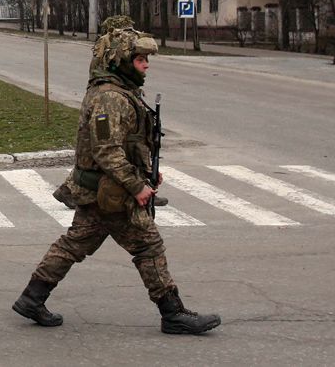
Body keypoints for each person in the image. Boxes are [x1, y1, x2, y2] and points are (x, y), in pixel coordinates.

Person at [12, 27, 220, 335]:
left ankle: (32, 298)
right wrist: (137, 186)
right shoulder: (110, 98)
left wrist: (146, 171)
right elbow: (107, 150)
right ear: (120, 62)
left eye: (146, 59)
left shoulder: (120, 92)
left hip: (102, 189)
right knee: (148, 246)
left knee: (74, 244)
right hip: (110, 191)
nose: (146, 65)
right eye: (140, 60)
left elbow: (125, 143)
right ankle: (173, 313)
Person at [53, 15, 167, 210]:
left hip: (115, 95)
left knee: (101, 147)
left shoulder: (111, 53)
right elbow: (106, 150)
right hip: (108, 102)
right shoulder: (109, 54)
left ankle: (69, 189)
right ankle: (69, 190)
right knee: (100, 148)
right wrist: (135, 185)